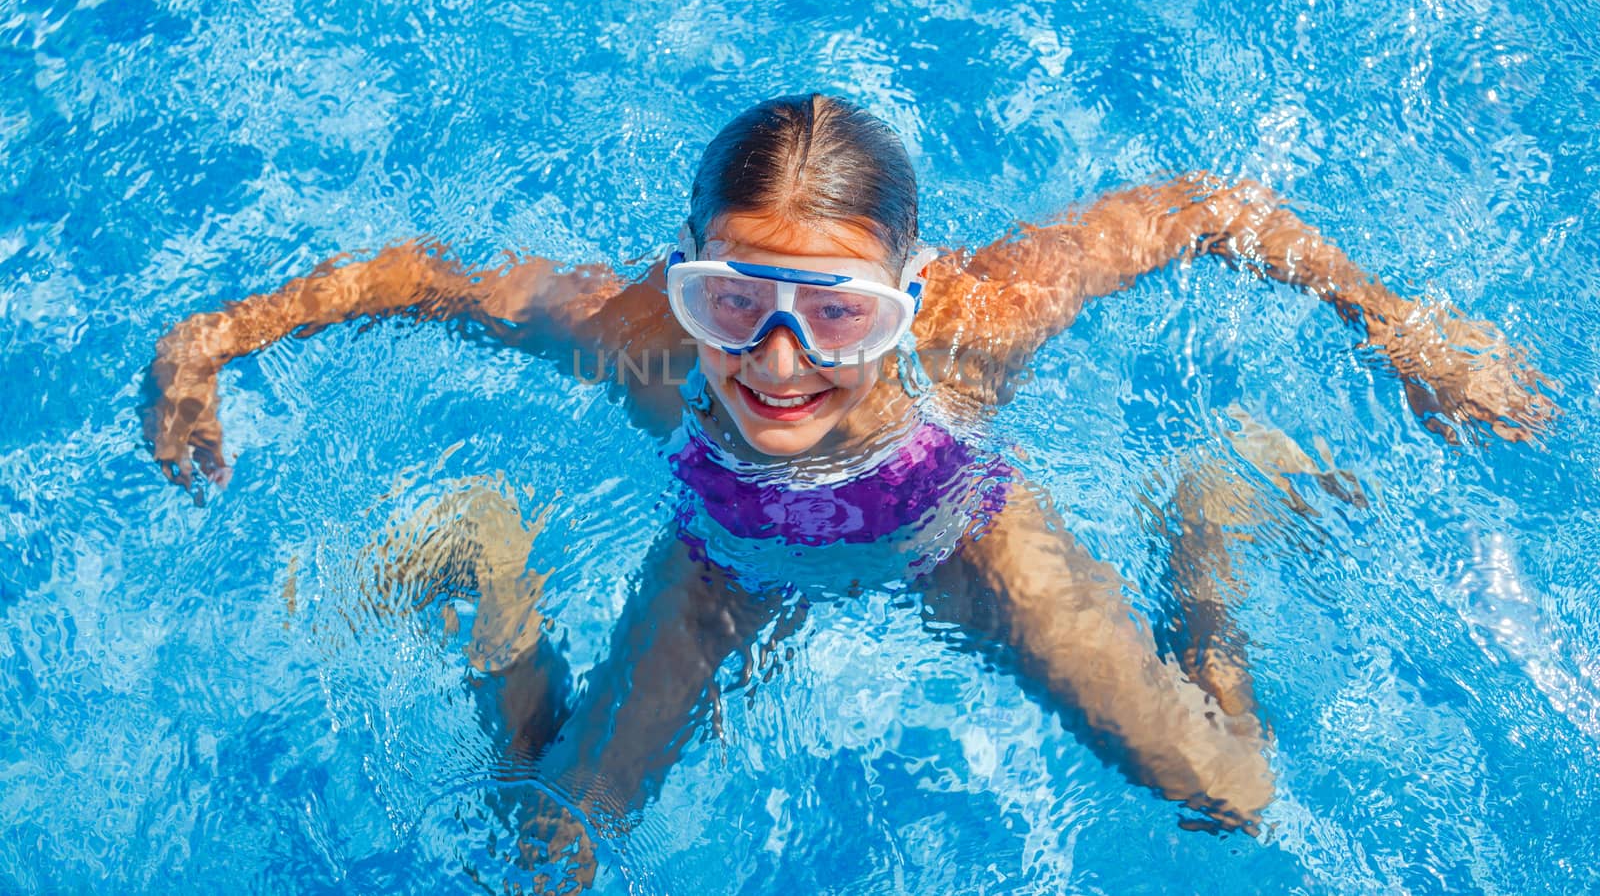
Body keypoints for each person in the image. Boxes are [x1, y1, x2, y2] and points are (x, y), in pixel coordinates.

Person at [147, 94, 1552, 878]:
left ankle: (1205, 525)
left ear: (911, 295)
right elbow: (418, 277)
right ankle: (491, 565)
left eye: (837, 314)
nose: (775, 359)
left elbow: (1199, 207)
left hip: (961, 531)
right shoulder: (639, 341)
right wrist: (209, 339)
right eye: (730, 300)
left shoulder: (983, 322)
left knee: (1231, 796)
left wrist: (1397, 319)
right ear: (680, 270)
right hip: (719, 562)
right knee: (548, 861)